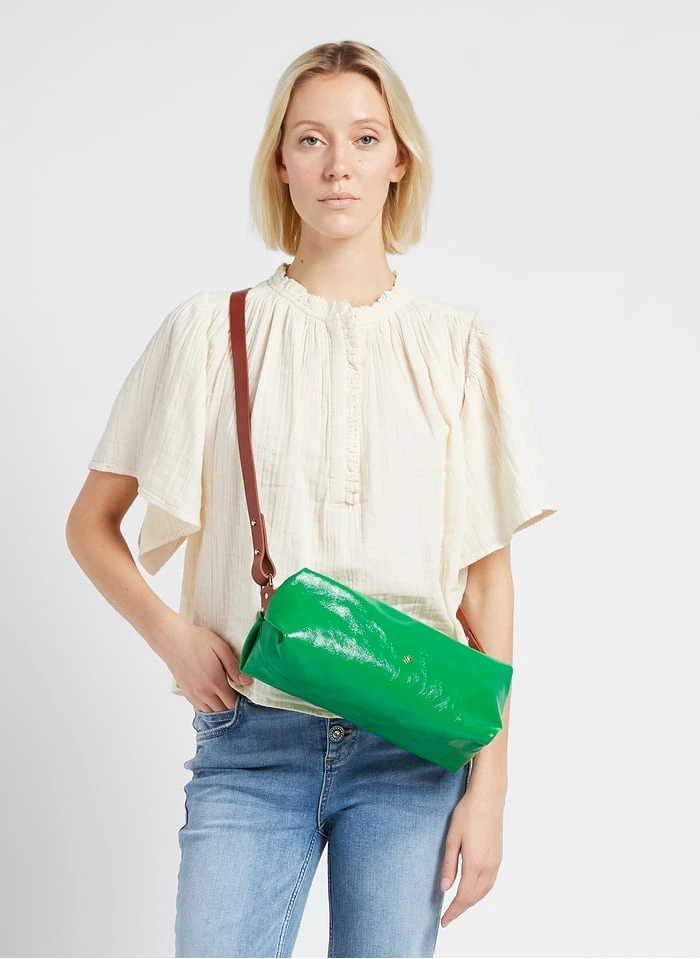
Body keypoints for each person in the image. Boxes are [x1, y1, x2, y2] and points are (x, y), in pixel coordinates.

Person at [65, 39, 558, 959]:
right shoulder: (210, 332)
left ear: (399, 161)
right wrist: (172, 635)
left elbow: (488, 589)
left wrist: (489, 789)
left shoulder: (460, 349)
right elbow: (90, 525)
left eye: (366, 138)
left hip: (414, 745)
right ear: (280, 163)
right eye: (311, 140)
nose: (338, 165)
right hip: (251, 739)